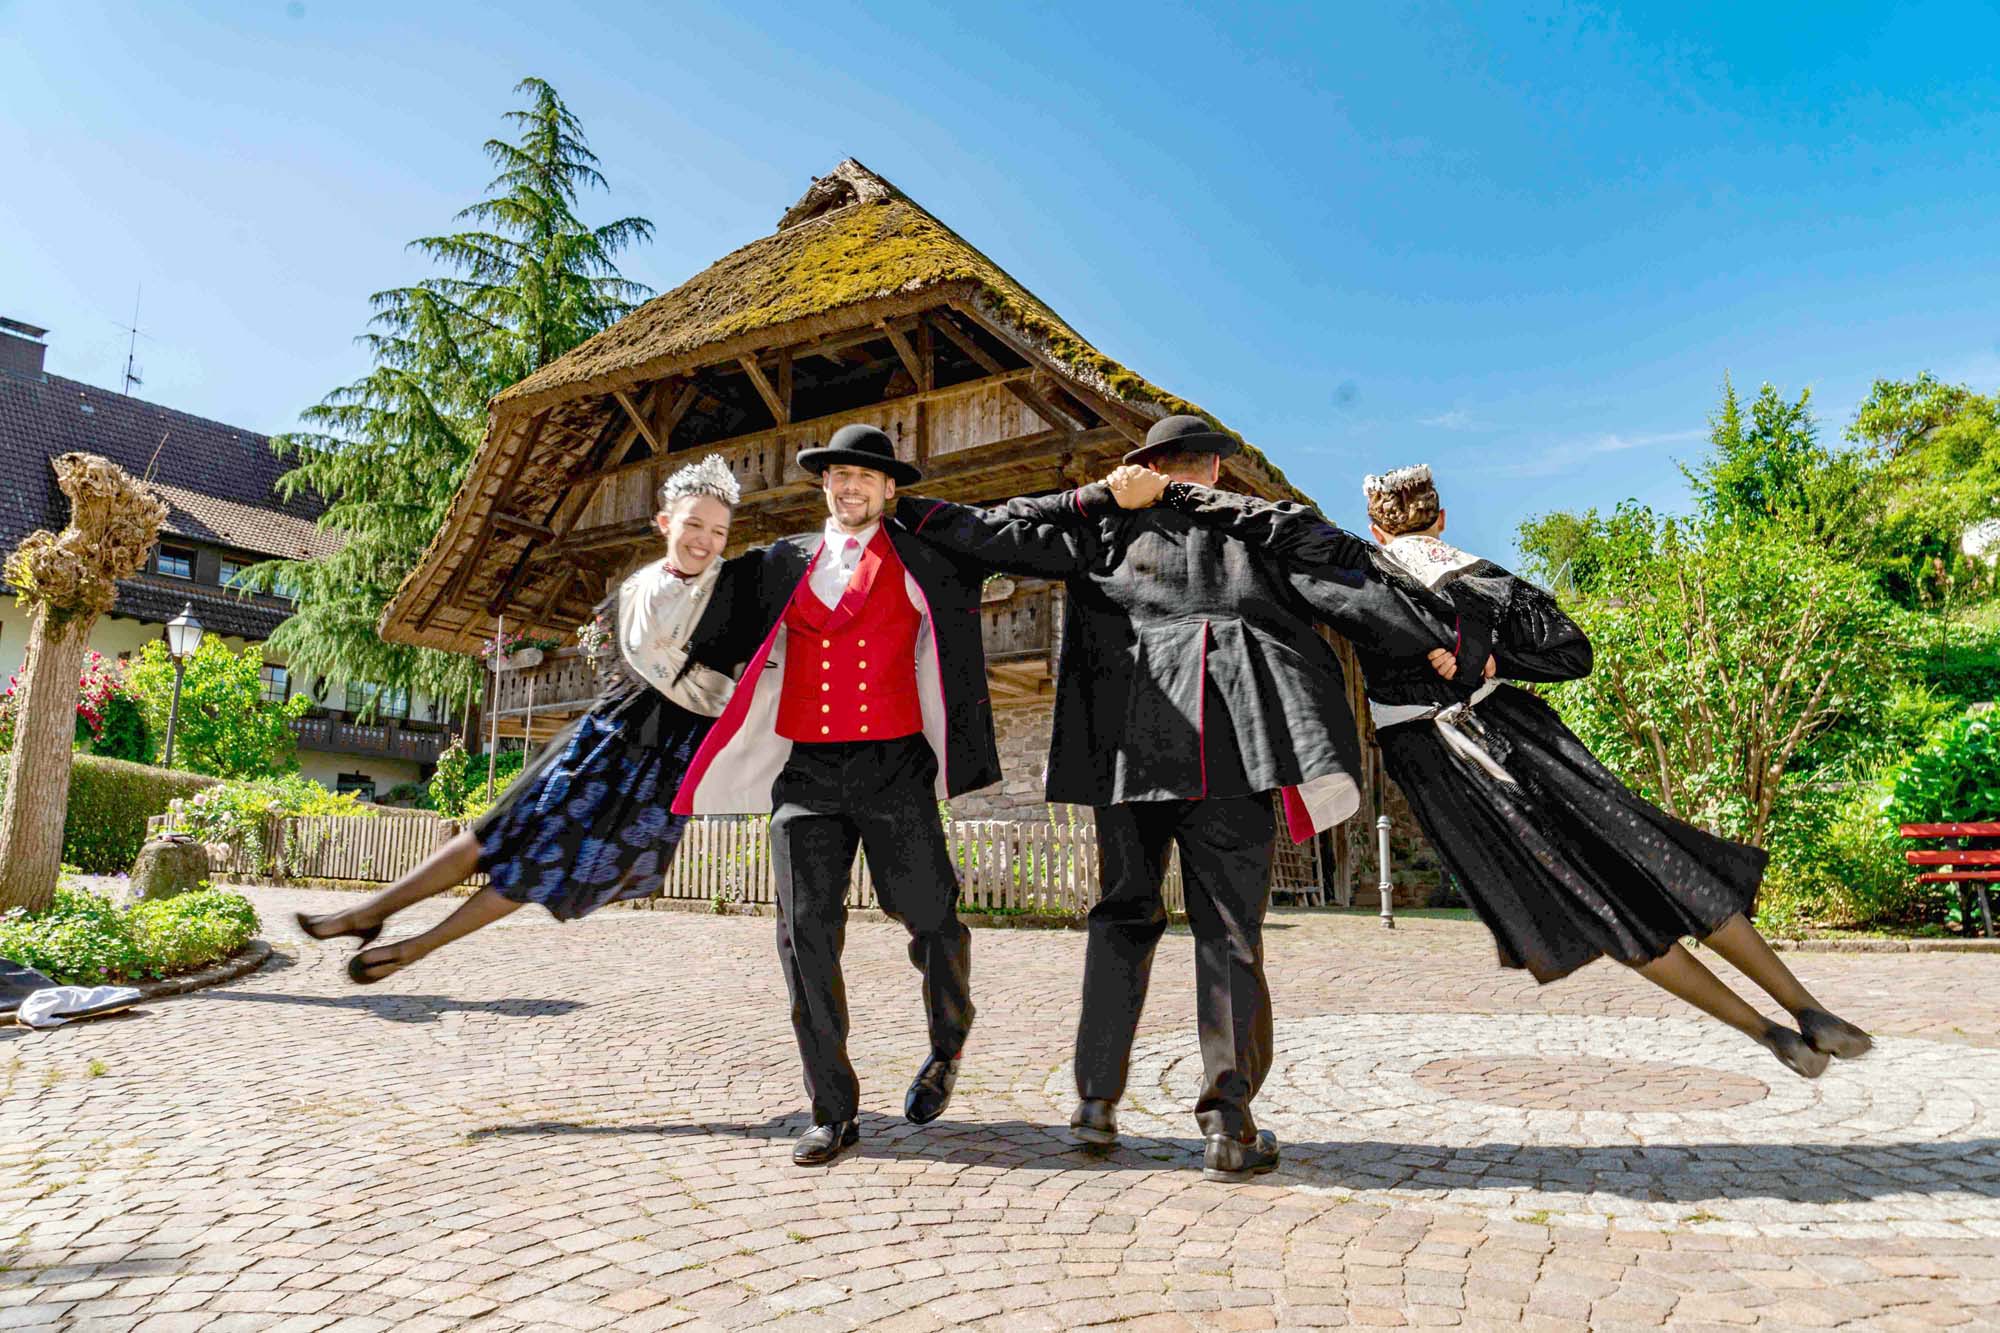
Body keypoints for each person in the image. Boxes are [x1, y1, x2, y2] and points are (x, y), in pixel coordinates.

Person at [897, 415, 1487, 1180]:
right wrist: (1445, 641)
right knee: (1230, 931)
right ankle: (1227, 1126)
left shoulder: (1101, 529)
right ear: (1214, 469)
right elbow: (1349, 580)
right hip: (1230, 751)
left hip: (1126, 754)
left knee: (1120, 917)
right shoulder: (1258, 531)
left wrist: (1081, 498)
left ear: (1144, 467)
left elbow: (994, 530)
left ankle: (1094, 1104)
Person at [1162, 461, 1872, 1078]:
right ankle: (1808, 1006)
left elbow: (1278, 532)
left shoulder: (1360, 567)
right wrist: (1496, 660)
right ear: (1441, 517)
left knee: (1606, 911)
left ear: (1377, 530)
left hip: (1447, 769)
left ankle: (1767, 1031)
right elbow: (1574, 652)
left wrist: (1177, 497)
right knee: (1655, 856)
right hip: (1523, 733)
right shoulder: (1484, 576)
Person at [670, 423, 1004, 1167]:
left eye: (866, 476)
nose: (849, 486)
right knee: (803, 938)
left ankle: (948, 1038)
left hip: (896, 764)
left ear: (891, 490)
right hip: (806, 772)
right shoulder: (778, 563)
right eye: (838, 475)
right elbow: (697, 605)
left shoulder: (927, 556)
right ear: (824, 485)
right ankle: (834, 1110)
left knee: (931, 916)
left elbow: (1008, 537)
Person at [294, 455, 745, 984]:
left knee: (535, 866)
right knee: (490, 834)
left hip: (653, 761)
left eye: (718, 530)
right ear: (665, 522)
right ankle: (366, 913)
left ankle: (416, 947)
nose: (704, 539)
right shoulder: (638, 586)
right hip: (599, 734)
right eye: (693, 523)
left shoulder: (735, 591)